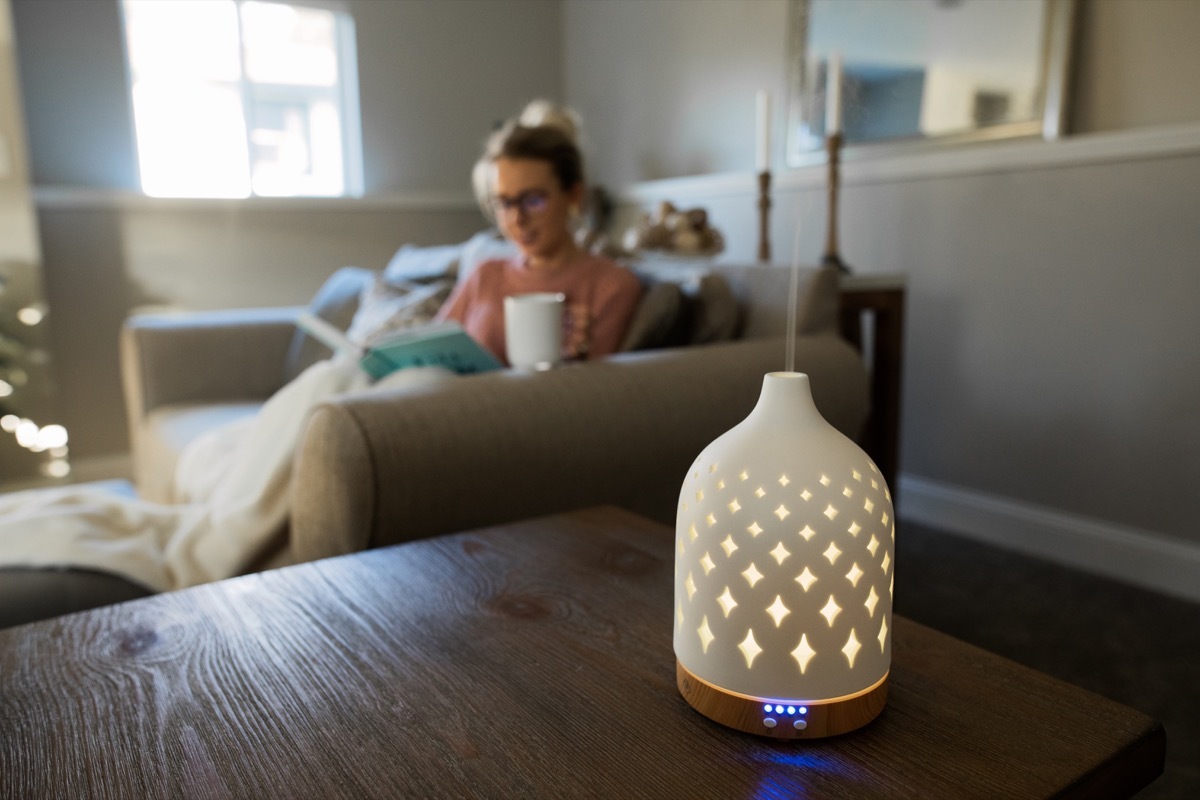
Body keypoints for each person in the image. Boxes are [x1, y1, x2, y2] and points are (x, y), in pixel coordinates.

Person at [436, 101, 642, 364]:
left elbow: (594, 397)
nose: (517, 219)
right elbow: (428, 353)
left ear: (573, 196)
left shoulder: (611, 285)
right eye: (504, 203)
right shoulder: (484, 276)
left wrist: (571, 358)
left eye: (533, 201)